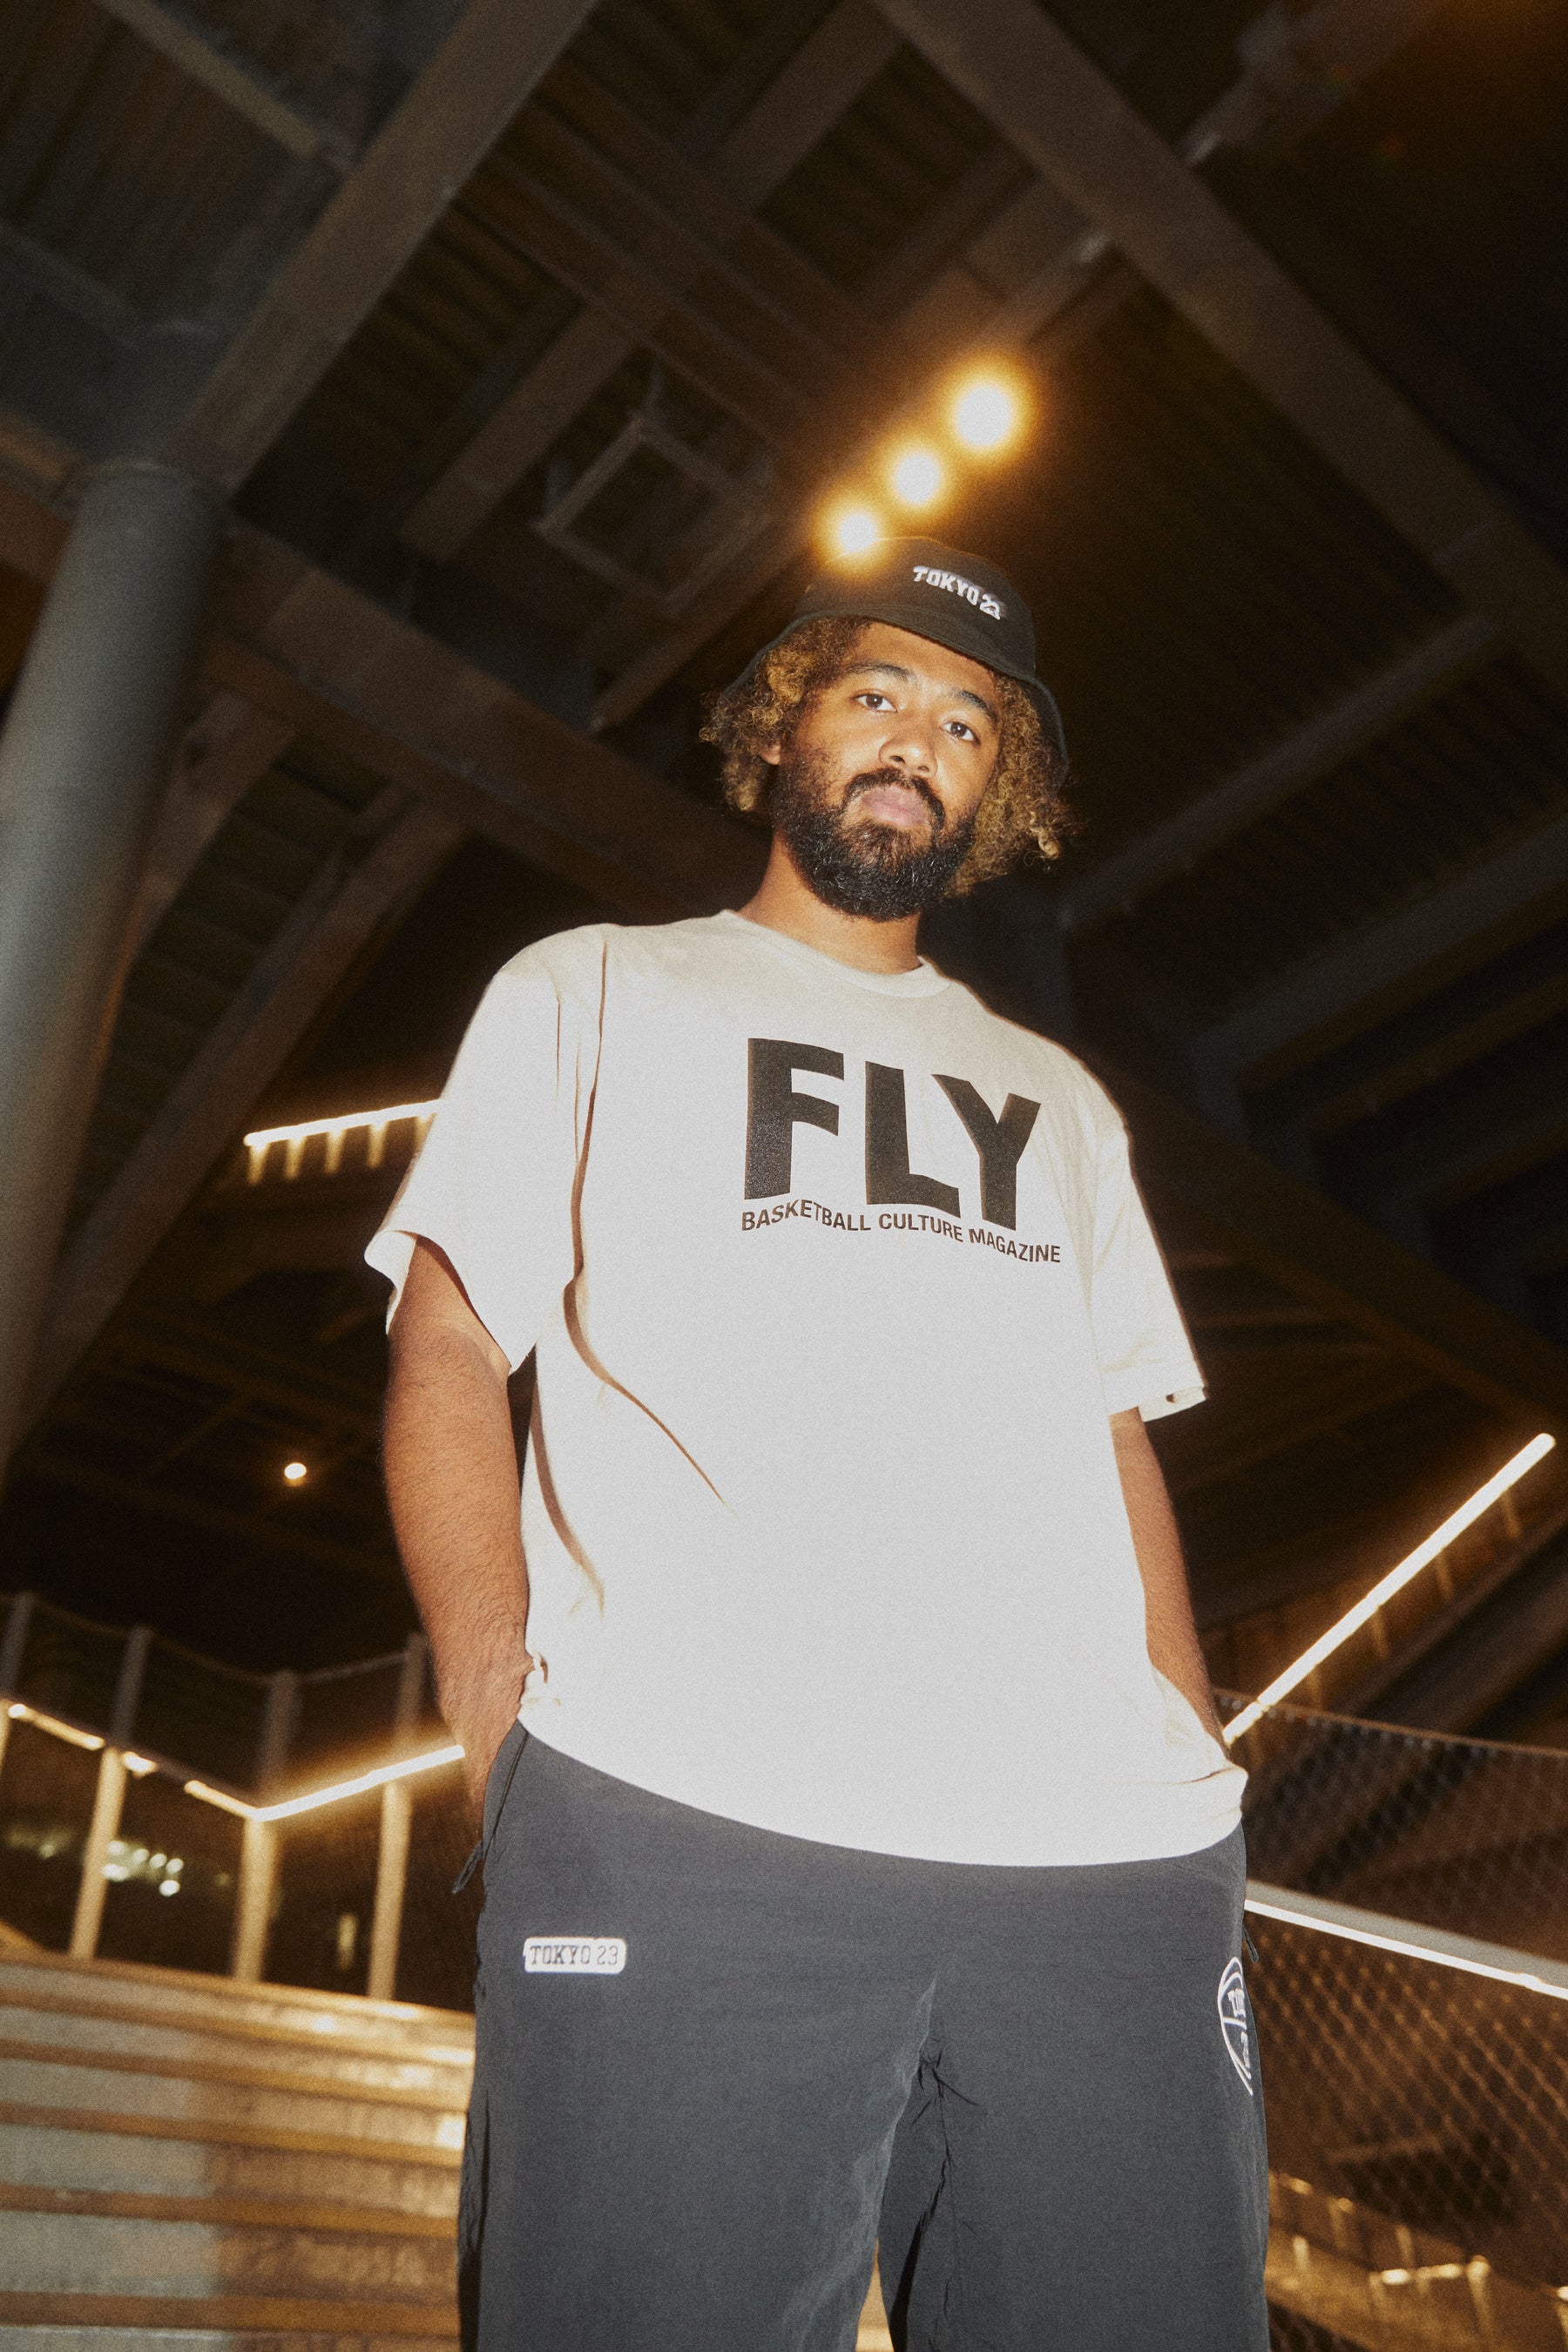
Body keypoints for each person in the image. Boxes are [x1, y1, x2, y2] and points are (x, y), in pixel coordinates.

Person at [370, 536, 1267, 2351]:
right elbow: (450, 1341)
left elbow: (1109, 1432)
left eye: (967, 725)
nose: (918, 740)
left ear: (995, 793)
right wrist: (493, 1707)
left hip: (1105, 1868)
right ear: (784, 726)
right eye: (876, 692)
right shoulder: (592, 987)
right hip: (689, 1823)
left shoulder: (1061, 1101)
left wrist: (1189, 1738)